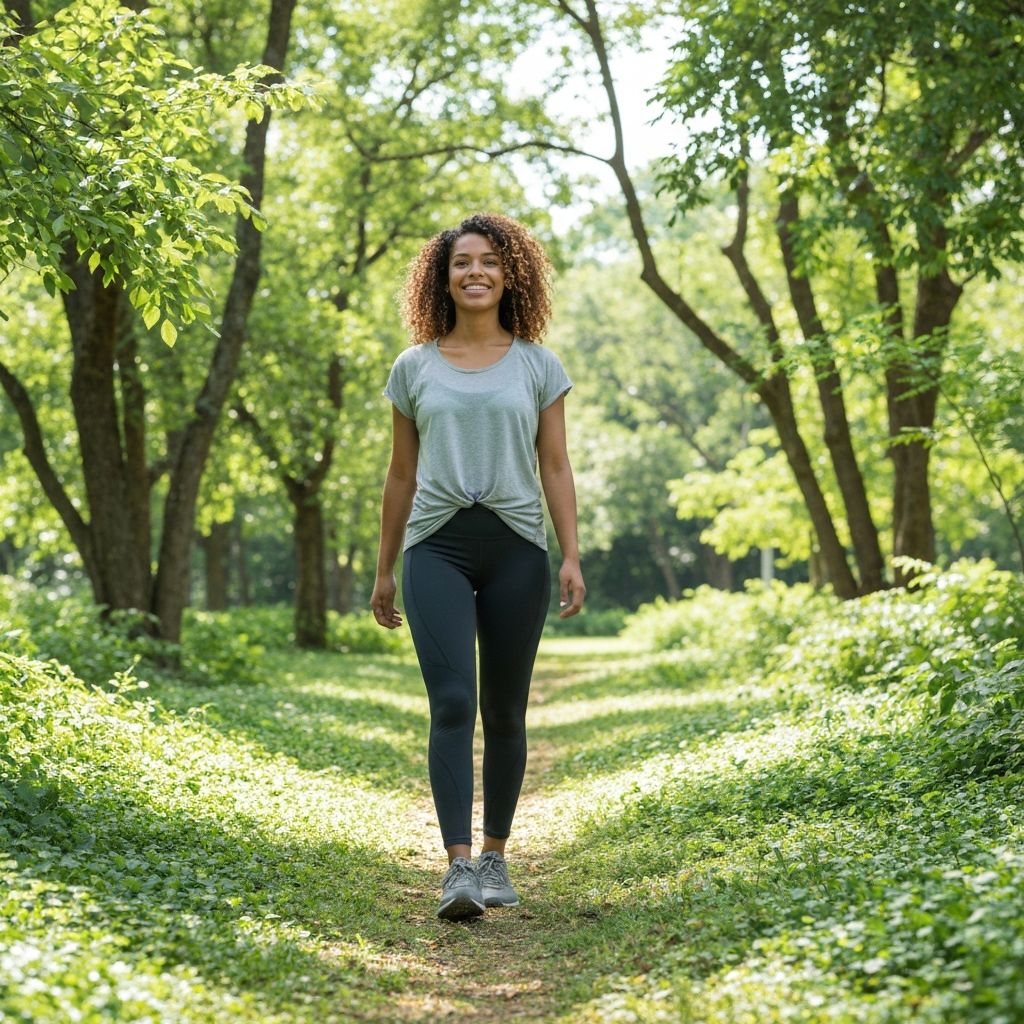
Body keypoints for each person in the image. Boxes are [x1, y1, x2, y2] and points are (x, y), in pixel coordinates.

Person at [370, 213, 585, 921]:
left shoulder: (536, 364)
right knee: (454, 701)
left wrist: (571, 553)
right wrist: (383, 568)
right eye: (463, 262)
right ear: (443, 276)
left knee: (505, 707)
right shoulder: (414, 366)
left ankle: (495, 856)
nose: (476, 273)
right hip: (435, 545)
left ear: (509, 273)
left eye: (490, 262)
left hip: (518, 548)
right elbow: (401, 474)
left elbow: (555, 464)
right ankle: (457, 868)